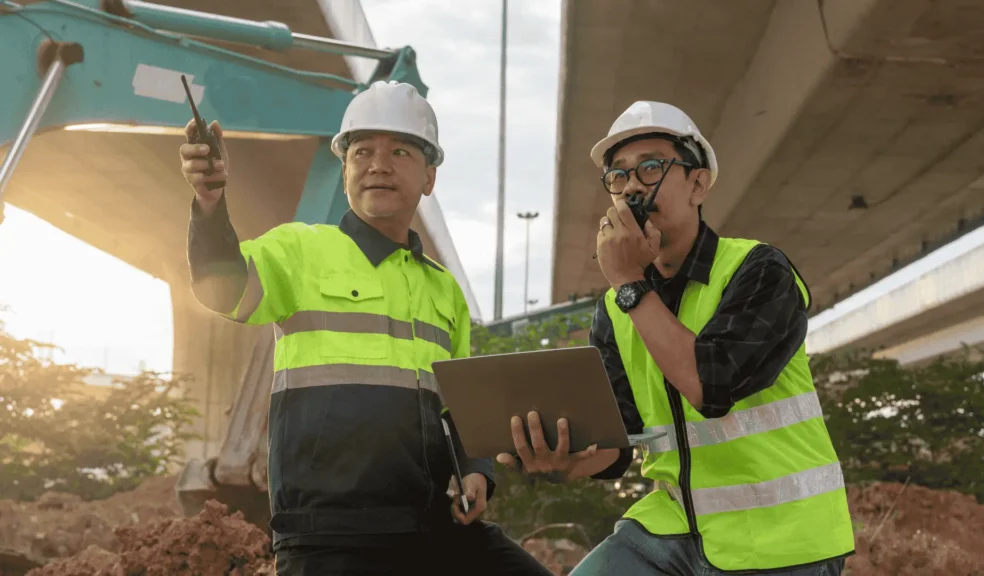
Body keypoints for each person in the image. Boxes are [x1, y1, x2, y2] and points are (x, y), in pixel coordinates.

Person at [180, 80, 551, 575]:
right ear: (346, 167)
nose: (378, 164)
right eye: (362, 151)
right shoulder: (301, 251)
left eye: (399, 151)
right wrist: (209, 204)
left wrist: (476, 470)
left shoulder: (444, 291)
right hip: (331, 540)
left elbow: (460, 407)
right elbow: (219, 287)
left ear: (429, 177)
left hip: (435, 530)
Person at [496, 100, 856, 575]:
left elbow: (713, 384)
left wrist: (629, 283)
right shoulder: (615, 309)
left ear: (697, 183)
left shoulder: (758, 269)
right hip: (671, 529)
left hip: (783, 540)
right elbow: (618, 437)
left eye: (650, 168)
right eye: (618, 176)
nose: (631, 189)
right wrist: (564, 464)